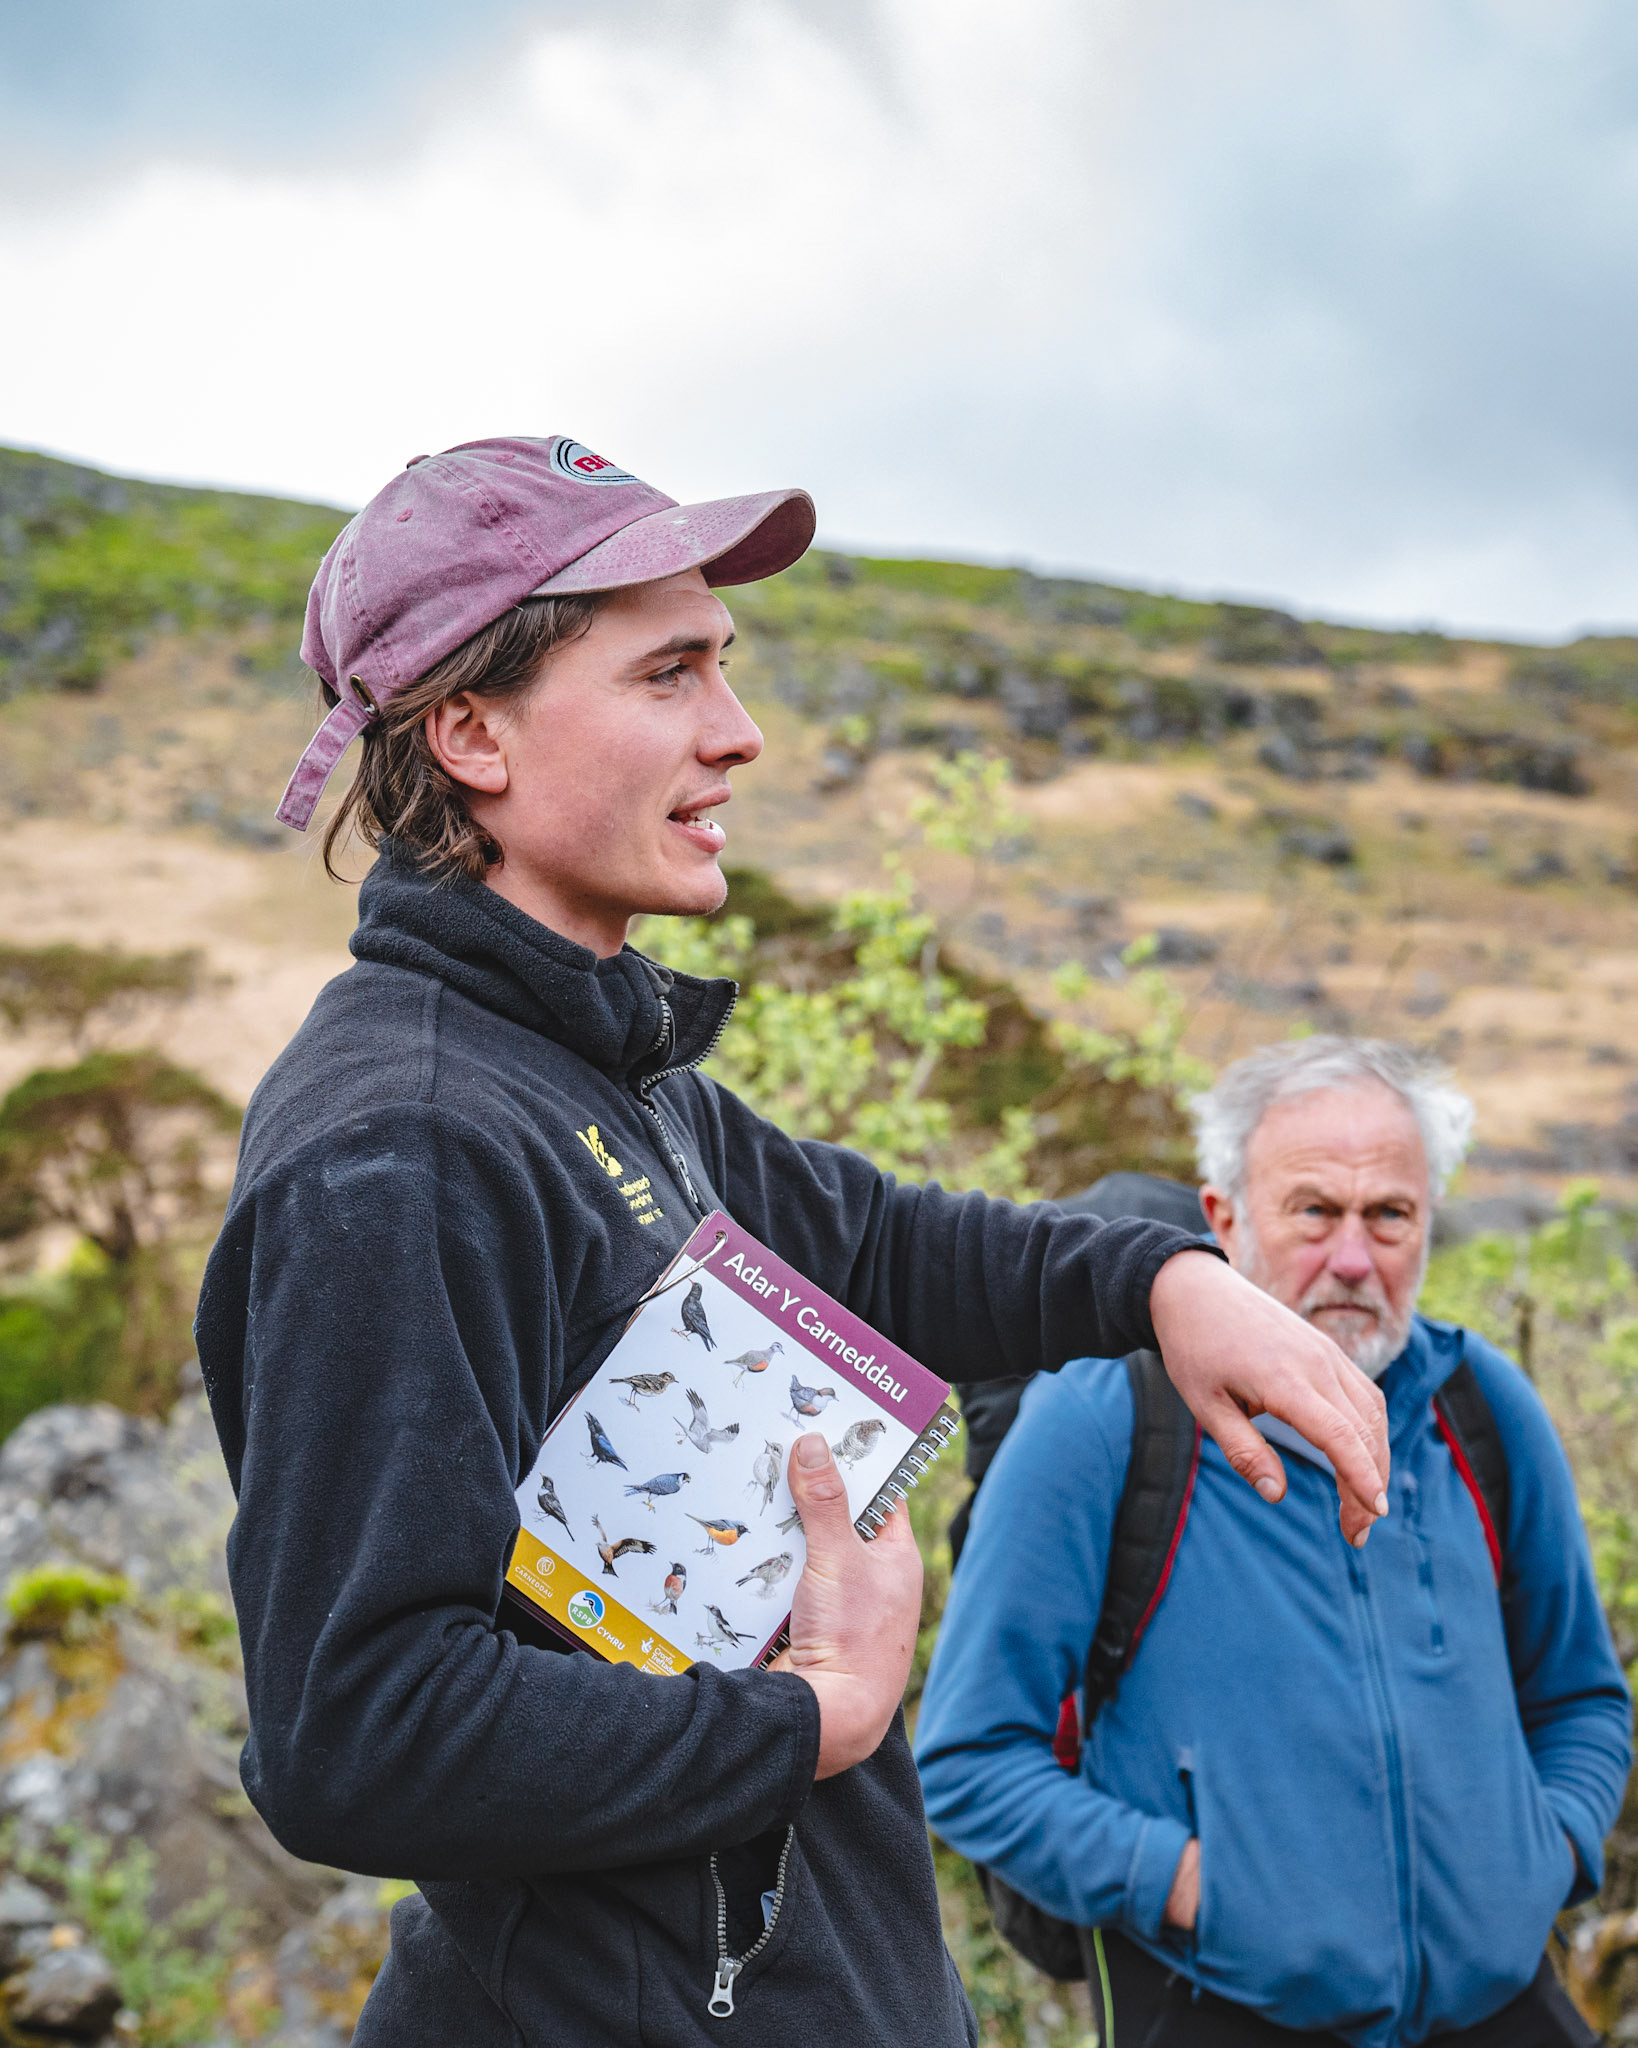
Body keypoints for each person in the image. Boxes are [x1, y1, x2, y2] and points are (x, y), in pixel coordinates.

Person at [194, 438, 1391, 2048]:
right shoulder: (403, 1145)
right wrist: (808, 1718)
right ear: (471, 732)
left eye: (723, 664)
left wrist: (1166, 1281)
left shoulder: (592, 1068)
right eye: (668, 674)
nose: (737, 730)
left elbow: (877, 1250)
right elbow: (360, 1733)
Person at [916, 1037, 1632, 2048]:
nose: (1354, 1259)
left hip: (1497, 1995)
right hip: (1220, 1999)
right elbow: (969, 1757)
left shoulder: (1483, 1407)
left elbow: (1581, 1696)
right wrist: (1195, 1887)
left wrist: (1542, 1857)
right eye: (1314, 1211)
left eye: (1390, 1215)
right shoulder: (1103, 1422)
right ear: (1225, 1219)